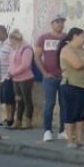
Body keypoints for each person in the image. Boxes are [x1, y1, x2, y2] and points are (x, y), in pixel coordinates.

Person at [58, 27, 84, 149]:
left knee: (81, 113)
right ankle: (70, 140)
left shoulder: (82, 50)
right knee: (70, 113)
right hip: (71, 84)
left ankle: (80, 139)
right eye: (83, 36)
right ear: (75, 36)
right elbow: (77, 65)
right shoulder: (67, 49)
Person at [35, 14, 68, 142]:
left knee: (64, 104)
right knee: (49, 104)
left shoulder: (66, 38)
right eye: (57, 22)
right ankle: (47, 130)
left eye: (62, 22)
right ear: (52, 24)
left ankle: (63, 130)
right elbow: (37, 56)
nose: (60, 24)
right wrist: (44, 73)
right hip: (50, 77)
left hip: (64, 76)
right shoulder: (43, 38)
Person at [7, 29, 35, 129]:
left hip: (25, 78)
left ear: (16, 39)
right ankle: (18, 121)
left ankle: (27, 120)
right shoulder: (14, 49)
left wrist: (13, 72)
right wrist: (10, 72)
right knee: (18, 100)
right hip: (16, 79)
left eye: (11, 40)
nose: (10, 42)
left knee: (27, 100)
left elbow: (25, 65)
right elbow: (11, 63)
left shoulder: (26, 49)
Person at [0, 25, 15, 128]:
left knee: (9, 99)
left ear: (3, 32)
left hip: (8, 76)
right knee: (4, 99)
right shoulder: (1, 44)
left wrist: (8, 74)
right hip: (1, 76)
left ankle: (11, 119)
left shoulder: (10, 44)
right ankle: (7, 117)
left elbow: (13, 60)